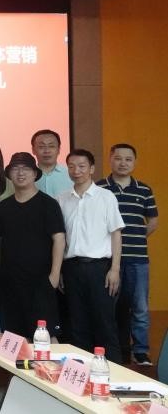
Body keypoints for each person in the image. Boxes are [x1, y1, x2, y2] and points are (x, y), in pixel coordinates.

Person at [58, 149, 125, 362]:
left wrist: (115, 269)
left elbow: (116, 234)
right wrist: (60, 270)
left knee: (104, 323)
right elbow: (60, 239)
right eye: (71, 166)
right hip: (71, 268)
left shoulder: (106, 197)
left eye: (82, 166)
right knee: (77, 324)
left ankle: (112, 372)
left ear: (92, 169)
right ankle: (81, 371)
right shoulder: (62, 199)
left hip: (100, 269)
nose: (76, 171)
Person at [98, 143, 159, 365]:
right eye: (118, 158)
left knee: (140, 307)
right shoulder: (100, 188)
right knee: (109, 307)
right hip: (107, 260)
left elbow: (153, 221)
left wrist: (136, 237)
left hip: (138, 259)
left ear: (134, 162)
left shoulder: (144, 189)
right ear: (110, 159)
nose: (122, 163)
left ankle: (141, 351)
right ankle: (113, 349)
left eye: (128, 159)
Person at [0, 152, 65, 340]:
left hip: (41, 281)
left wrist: (54, 276)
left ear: (35, 173)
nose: (20, 173)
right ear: (9, 175)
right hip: (9, 282)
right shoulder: (3, 207)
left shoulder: (48, 204)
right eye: (15, 169)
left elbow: (59, 239)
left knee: (46, 336)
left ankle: (49, 363)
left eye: (25, 168)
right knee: (13, 338)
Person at [32, 129, 72, 197]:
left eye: (51, 146)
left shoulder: (70, 174)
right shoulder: (26, 176)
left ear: (59, 150)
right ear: (33, 150)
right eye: (41, 147)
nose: (47, 151)